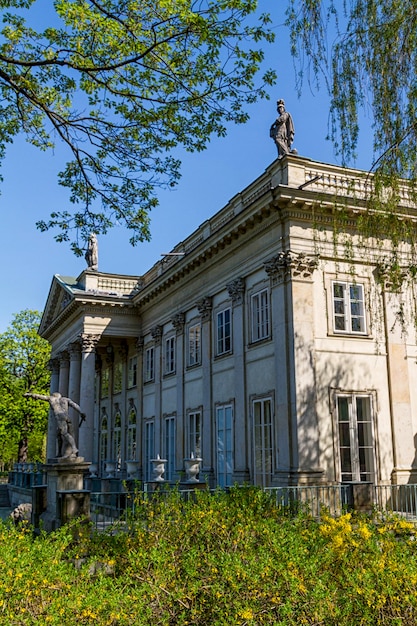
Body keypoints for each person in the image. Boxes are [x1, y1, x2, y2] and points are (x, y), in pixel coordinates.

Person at [24, 391, 85, 459]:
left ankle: (74, 448)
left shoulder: (52, 399)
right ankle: (59, 453)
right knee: (58, 434)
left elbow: (40, 396)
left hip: (60, 417)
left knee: (64, 433)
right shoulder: (66, 399)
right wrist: (81, 412)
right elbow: (75, 405)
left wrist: (29, 394)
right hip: (67, 417)